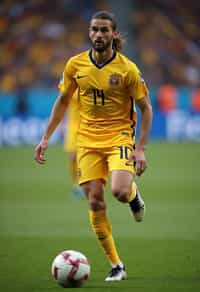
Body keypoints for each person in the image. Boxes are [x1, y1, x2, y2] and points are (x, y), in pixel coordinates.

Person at [34, 11, 152, 281]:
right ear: (89, 33)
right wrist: (45, 137)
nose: (98, 34)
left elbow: (146, 109)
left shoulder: (127, 69)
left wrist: (141, 148)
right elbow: (63, 101)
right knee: (95, 201)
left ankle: (133, 195)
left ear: (114, 34)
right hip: (87, 140)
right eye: (94, 29)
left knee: (119, 192)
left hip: (119, 136)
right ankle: (117, 265)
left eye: (104, 30)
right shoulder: (75, 65)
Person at [63, 91, 84, 198]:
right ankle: (76, 185)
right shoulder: (70, 86)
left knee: (85, 157)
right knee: (72, 157)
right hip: (72, 128)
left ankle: (86, 183)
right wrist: (62, 123)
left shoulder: (88, 84)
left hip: (86, 127)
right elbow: (64, 105)